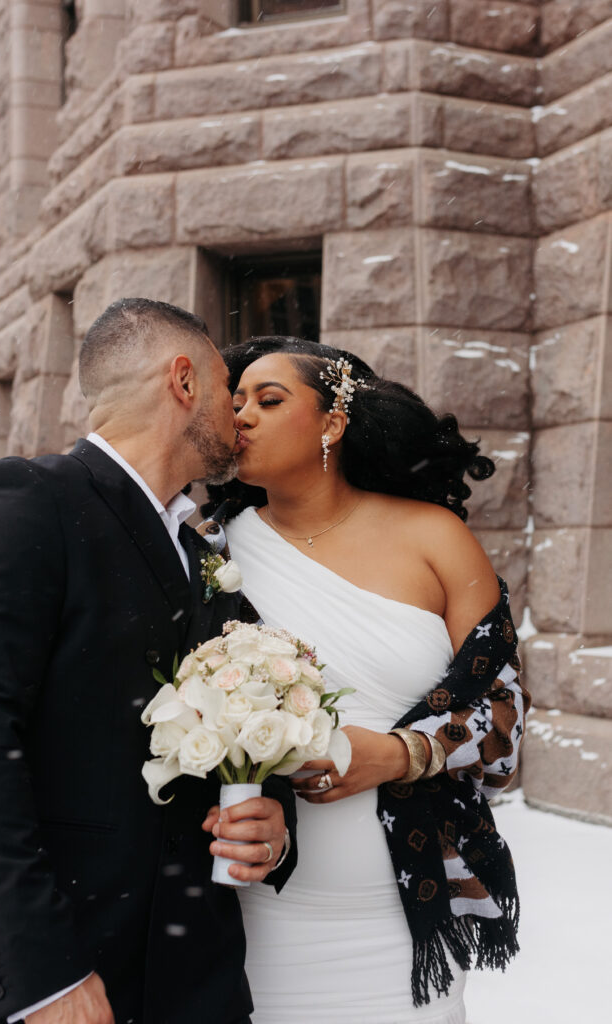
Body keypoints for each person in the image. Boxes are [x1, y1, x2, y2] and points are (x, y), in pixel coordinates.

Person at [0, 300, 297, 1024]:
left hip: (196, 978)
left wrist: (271, 820)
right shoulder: (30, 498)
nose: (238, 412)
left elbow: (250, 708)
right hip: (63, 965)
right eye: (229, 389)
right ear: (183, 381)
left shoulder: (204, 550)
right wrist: (42, 976)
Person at [203, 336, 530, 1024]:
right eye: (234, 403)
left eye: (268, 399)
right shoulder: (212, 551)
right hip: (254, 912)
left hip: (403, 920)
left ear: (332, 422)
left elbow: (503, 714)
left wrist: (403, 753)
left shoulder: (435, 537)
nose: (242, 416)